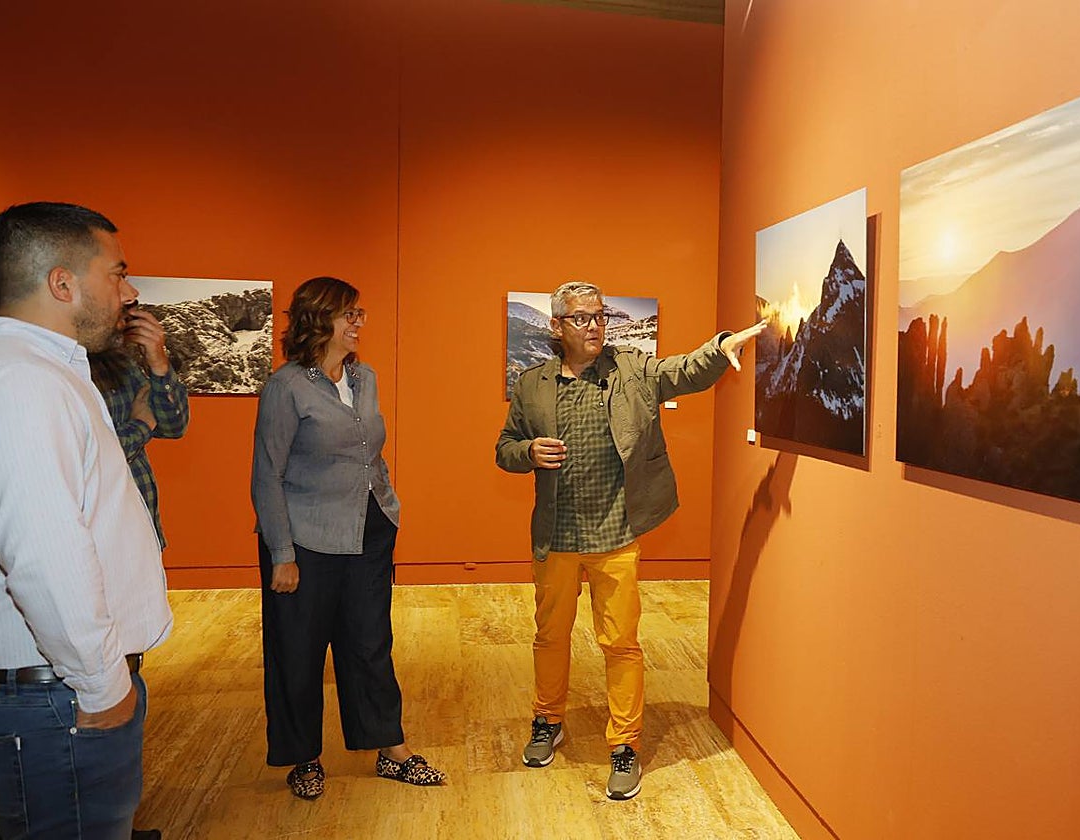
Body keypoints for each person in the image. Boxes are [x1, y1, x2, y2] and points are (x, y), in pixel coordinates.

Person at [0, 202, 172, 838]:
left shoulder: (34, 374)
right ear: (62, 282)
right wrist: (103, 687)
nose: (128, 292)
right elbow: (44, 555)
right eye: (118, 273)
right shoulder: (19, 385)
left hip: (47, 694)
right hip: (54, 702)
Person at [496, 280, 767, 801]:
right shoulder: (531, 385)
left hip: (616, 535)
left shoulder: (633, 370)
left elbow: (682, 371)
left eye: (599, 315)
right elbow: (504, 447)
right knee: (550, 636)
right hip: (556, 536)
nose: (594, 325)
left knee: (620, 644)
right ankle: (547, 719)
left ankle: (625, 744)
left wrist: (721, 347)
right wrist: (527, 452)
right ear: (557, 326)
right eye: (581, 318)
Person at [251, 275, 444, 800]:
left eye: (360, 314)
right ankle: (304, 758)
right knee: (298, 651)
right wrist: (281, 553)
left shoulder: (365, 377)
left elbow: (369, 452)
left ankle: (390, 747)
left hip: (369, 530)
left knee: (369, 643)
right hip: (306, 540)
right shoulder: (287, 387)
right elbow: (267, 475)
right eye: (349, 314)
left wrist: (388, 504)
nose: (359, 323)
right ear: (319, 320)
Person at [89, 302, 190, 548]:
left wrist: (159, 365)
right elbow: (88, 457)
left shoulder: (118, 361)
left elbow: (172, 425)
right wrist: (141, 425)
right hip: (98, 537)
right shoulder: (58, 369)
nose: (130, 294)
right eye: (116, 283)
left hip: (140, 531)